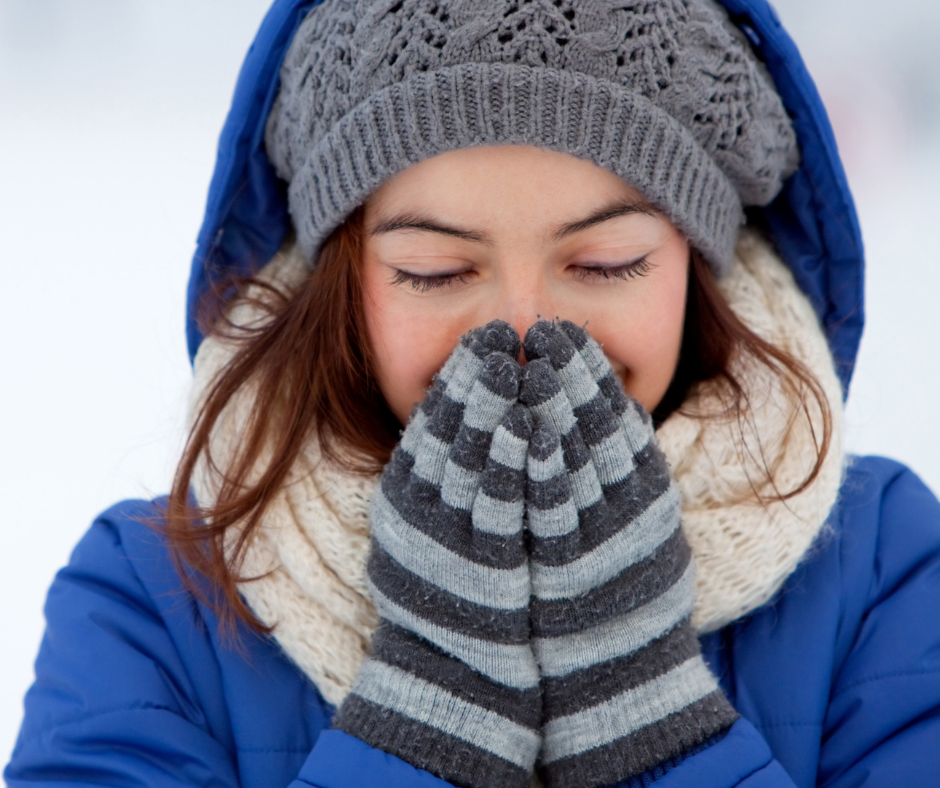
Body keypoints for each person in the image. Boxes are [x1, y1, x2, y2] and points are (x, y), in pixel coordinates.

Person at [6, 0, 940, 785]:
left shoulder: (883, 570)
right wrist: (425, 721)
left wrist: (652, 724)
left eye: (607, 263)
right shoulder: (150, 606)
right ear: (343, 282)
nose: (527, 334)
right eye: (436, 270)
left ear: (696, 265)